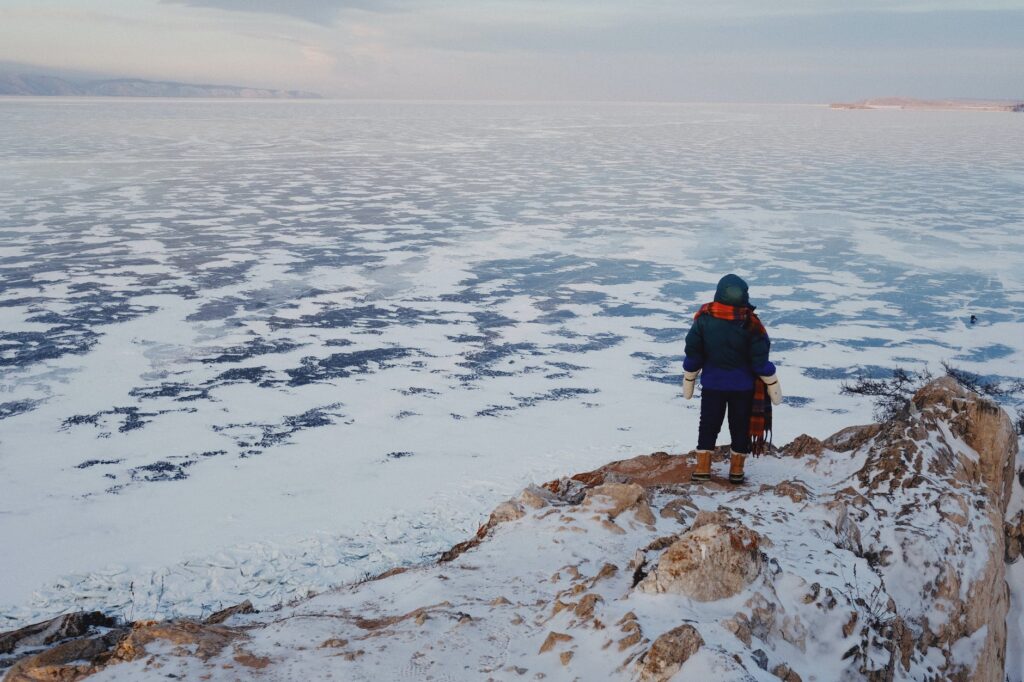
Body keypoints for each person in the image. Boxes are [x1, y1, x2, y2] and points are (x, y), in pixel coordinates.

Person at [681, 274, 782, 483]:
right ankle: (736, 471)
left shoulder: (704, 319)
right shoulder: (752, 323)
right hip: (743, 387)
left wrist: (689, 375)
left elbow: (694, 352)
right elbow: (759, 360)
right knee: (740, 426)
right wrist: (772, 381)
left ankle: (702, 469)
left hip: (712, 385)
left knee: (708, 424)